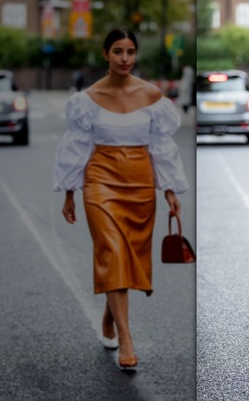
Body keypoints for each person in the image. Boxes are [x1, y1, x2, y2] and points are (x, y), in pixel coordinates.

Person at [53, 27, 189, 370]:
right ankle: (127, 339)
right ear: (105, 55)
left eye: (130, 52)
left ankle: (110, 316)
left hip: (140, 185)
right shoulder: (86, 100)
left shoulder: (153, 97)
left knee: (129, 259)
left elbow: (162, 148)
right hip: (100, 181)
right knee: (111, 253)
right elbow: (75, 149)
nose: (125, 58)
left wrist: (169, 190)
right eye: (117, 51)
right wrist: (69, 193)